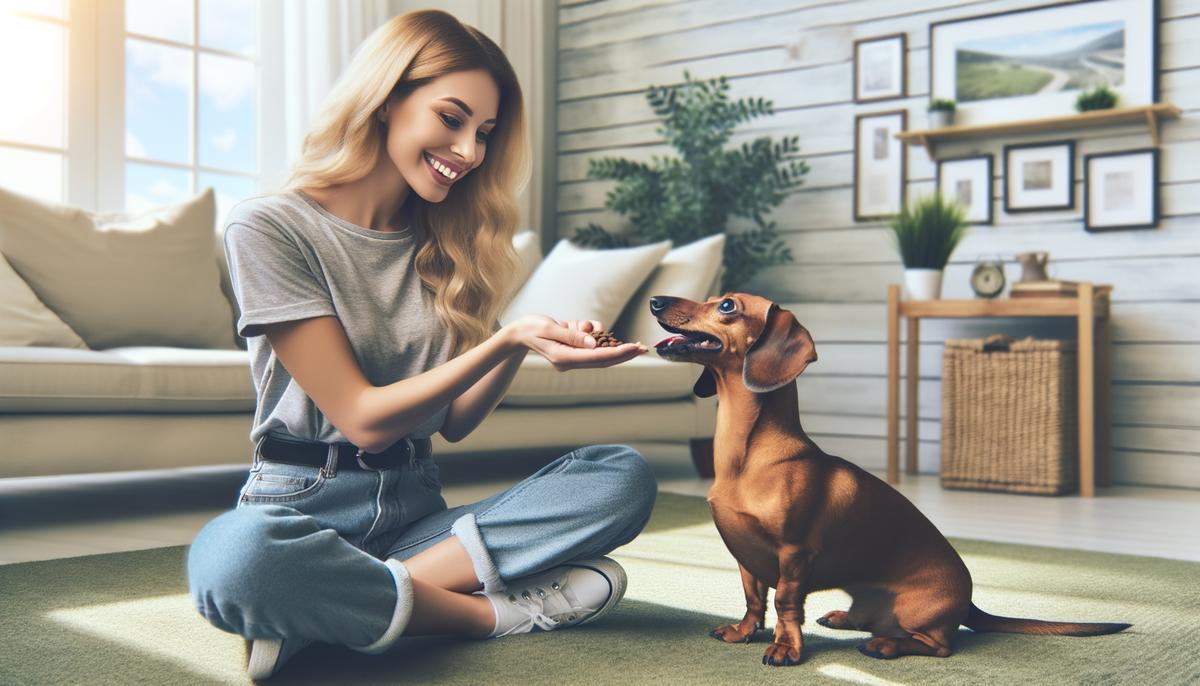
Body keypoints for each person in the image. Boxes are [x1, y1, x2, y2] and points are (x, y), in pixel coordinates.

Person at [186, 10, 657, 681]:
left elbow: (456, 422)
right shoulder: (269, 226)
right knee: (236, 559)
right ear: (386, 99)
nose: (469, 151)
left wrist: (520, 344)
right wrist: (507, 341)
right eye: (452, 117)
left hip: (415, 510)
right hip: (300, 505)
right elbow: (362, 417)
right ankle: (487, 615)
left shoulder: (451, 242)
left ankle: (339, 608)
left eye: (485, 133)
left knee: (622, 477)